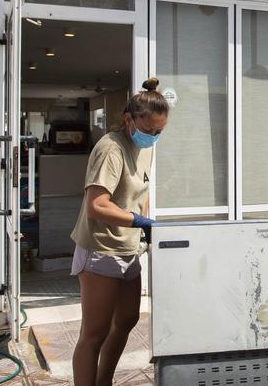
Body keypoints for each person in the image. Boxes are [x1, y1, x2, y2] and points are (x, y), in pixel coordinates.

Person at [70, 78, 168, 385]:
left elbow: (142, 188)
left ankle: (104, 382)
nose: (153, 136)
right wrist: (138, 222)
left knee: (126, 321)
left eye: (159, 131)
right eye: (149, 130)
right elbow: (96, 205)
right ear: (129, 119)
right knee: (94, 333)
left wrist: (146, 223)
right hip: (100, 249)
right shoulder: (110, 149)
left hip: (128, 248)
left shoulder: (145, 146)